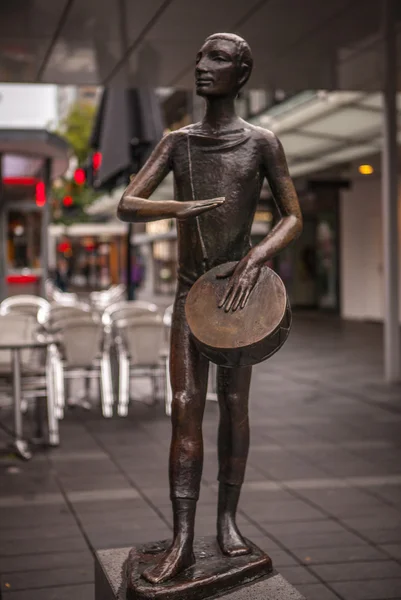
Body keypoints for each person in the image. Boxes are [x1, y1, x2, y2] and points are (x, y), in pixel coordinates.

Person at [118, 32, 302, 584]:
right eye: (199, 56)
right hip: (189, 296)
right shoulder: (178, 142)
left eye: (217, 58)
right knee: (183, 403)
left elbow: (292, 215)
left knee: (235, 407)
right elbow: (130, 203)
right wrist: (182, 205)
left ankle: (227, 525)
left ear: (241, 74)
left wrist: (258, 256)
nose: (201, 65)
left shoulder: (263, 142)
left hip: (237, 296)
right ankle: (181, 539)